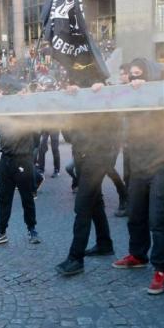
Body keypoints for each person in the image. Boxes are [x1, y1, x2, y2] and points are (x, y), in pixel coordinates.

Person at [111, 59, 164, 295]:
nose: (134, 80)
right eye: (130, 76)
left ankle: (161, 268)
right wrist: (96, 88)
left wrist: (152, 93)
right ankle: (138, 254)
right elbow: (103, 103)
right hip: (139, 163)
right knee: (136, 214)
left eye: (139, 75)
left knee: (159, 218)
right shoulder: (129, 97)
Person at [56, 109, 120, 276]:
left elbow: (115, 131)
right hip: (81, 157)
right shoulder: (77, 105)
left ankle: (76, 258)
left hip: (96, 159)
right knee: (95, 202)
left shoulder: (103, 102)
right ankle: (105, 244)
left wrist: (108, 159)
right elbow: (69, 136)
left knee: (82, 206)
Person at [0, 120, 40, 247]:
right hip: (6, 159)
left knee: (27, 198)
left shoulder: (28, 114)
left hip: (23, 159)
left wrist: (26, 151)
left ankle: (32, 229)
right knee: (4, 198)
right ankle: (1, 232)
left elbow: (37, 138)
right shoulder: (3, 113)